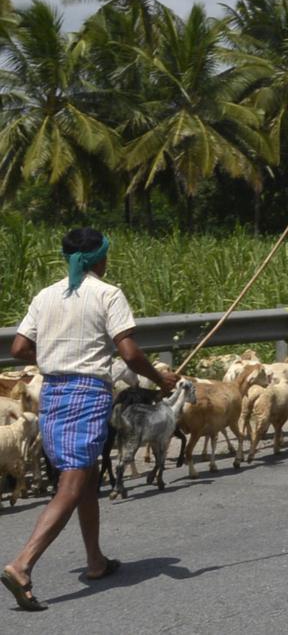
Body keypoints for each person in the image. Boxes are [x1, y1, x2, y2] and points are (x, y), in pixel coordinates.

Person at [2, 227, 180, 612]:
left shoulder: (46, 295)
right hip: (87, 395)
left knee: (87, 477)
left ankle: (95, 561)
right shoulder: (108, 294)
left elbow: (19, 347)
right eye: (106, 254)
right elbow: (130, 354)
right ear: (98, 257)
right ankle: (22, 565)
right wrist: (160, 379)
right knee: (72, 482)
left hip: (51, 393)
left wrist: (56, 352)